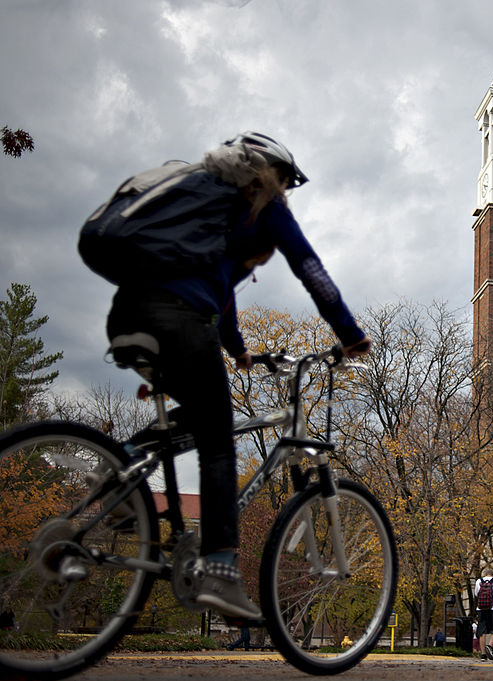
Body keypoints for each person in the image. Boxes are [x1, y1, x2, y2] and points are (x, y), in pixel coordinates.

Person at [105, 132, 370, 619]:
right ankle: (221, 569)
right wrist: (351, 334)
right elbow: (310, 268)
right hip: (181, 320)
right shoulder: (261, 207)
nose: (286, 193)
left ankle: (120, 464)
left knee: (199, 416)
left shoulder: (205, 212)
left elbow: (218, 289)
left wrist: (237, 349)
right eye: (286, 183)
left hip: (128, 317)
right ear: (266, 175)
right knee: (220, 440)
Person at [474, 567, 493, 660]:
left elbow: (476, 594)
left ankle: (483, 655)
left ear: (484, 574)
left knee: (482, 632)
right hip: (492, 608)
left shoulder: (479, 581)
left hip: (481, 609)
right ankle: (489, 646)